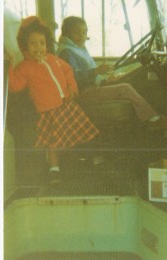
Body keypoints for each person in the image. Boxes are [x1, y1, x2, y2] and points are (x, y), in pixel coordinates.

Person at [7, 16, 99, 184]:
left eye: (41, 43)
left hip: (66, 105)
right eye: (33, 43)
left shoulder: (54, 59)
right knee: (53, 143)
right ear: (25, 46)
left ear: (47, 44)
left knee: (72, 136)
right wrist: (9, 67)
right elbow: (14, 86)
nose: (38, 47)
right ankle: (54, 169)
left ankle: (76, 162)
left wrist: (72, 88)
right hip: (48, 110)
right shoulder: (25, 67)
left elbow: (68, 71)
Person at [56, 16, 167, 129]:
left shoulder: (76, 48)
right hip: (82, 95)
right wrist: (96, 71)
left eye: (84, 32)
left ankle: (147, 121)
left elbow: (87, 76)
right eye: (77, 32)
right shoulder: (66, 52)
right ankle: (153, 119)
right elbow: (74, 78)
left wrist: (105, 80)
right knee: (124, 88)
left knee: (131, 79)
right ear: (67, 33)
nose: (82, 36)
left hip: (90, 89)